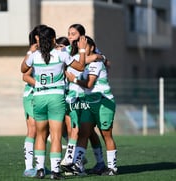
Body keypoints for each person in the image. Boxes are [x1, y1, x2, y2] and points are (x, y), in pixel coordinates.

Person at [21, 26, 87, 180]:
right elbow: (80, 66)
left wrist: (30, 51)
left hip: (39, 97)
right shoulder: (60, 55)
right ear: (52, 39)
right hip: (56, 97)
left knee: (40, 136)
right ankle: (56, 172)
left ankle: (40, 170)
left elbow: (23, 68)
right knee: (56, 136)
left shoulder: (35, 56)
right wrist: (82, 50)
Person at [66, 36, 118, 176]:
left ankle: (112, 168)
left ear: (92, 48)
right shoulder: (84, 63)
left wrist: (74, 79)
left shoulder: (96, 63)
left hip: (103, 102)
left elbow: (89, 84)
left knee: (106, 135)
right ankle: (76, 165)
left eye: (85, 46)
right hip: (89, 103)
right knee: (83, 133)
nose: (82, 49)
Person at [61, 24, 105, 175]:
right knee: (78, 130)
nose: (70, 36)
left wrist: (100, 57)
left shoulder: (89, 49)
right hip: (70, 95)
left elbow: (101, 59)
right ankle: (75, 162)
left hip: (86, 96)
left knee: (85, 131)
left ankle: (74, 162)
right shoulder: (66, 50)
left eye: (73, 34)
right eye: (69, 33)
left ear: (82, 37)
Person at [22, 25, 47, 177]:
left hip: (46, 96)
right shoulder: (33, 52)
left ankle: (41, 166)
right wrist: (40, 85)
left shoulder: (50, 51)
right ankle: (29, 167)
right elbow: (25, 74)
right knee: (33, 129)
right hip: (32, 95)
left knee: (43, 130)